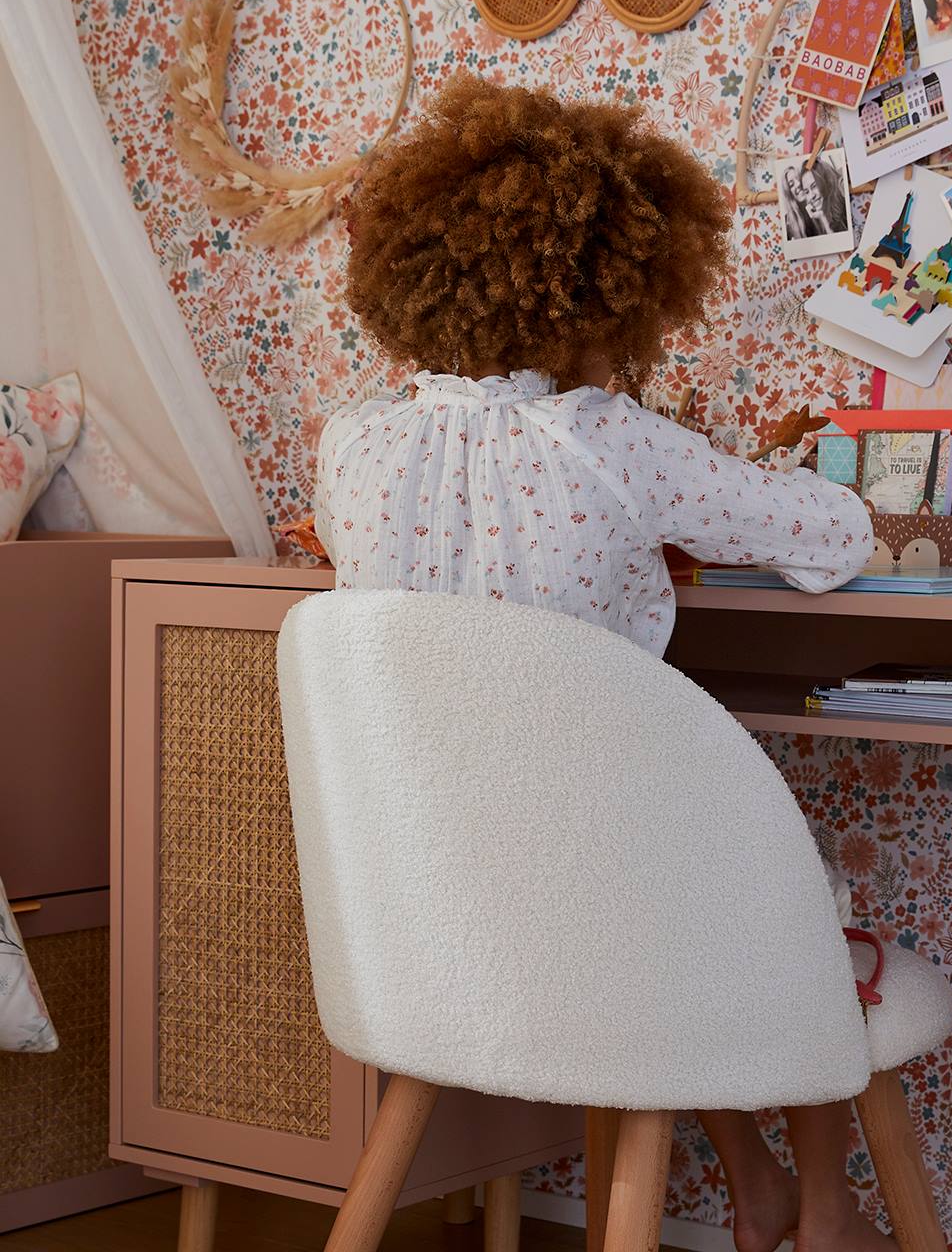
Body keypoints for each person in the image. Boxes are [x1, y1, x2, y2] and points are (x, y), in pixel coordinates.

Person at [316, 74, 888, 1252]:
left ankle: (758, 1184)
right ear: (608, 286)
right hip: (608, 896)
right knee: (777, 883)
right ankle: (829, 1210)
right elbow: (832, 540)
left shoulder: (352, 448)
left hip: (440, 900)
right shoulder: (614, 443)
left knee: (665, 905)